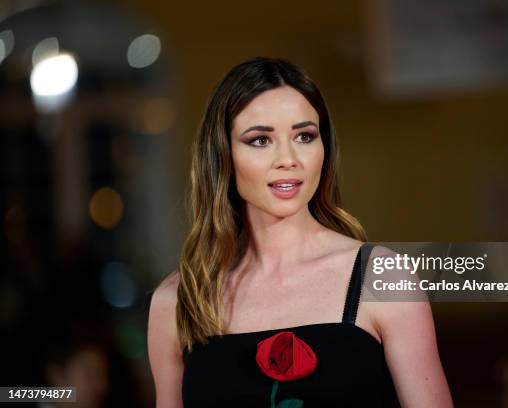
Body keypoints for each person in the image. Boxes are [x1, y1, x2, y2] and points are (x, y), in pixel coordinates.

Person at [147, 56, 452, 407]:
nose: (288, 158)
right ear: (223, 156)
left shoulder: (382, 279)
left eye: (304, 136)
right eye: (260, 140)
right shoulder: (177, 300)